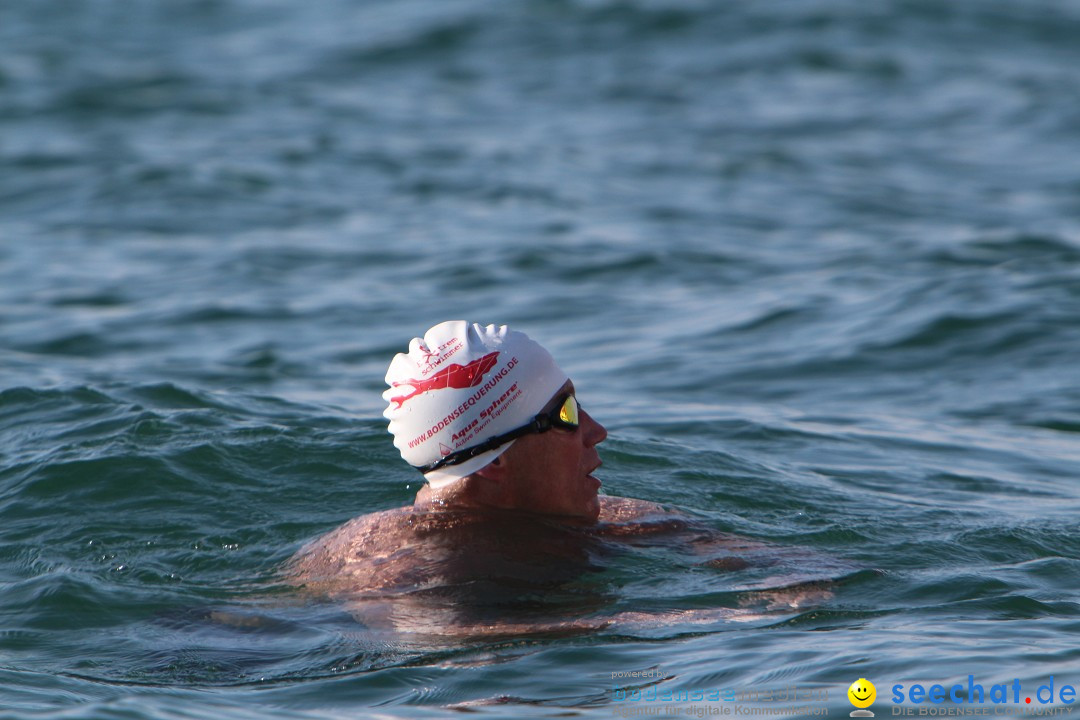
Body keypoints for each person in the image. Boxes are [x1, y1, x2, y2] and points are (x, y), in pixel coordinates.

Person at [287, 321, 836, 636]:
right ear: (495, 459)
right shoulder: (396, 566)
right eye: (568, 414)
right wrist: (680, 622)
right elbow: (434, 644)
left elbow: (807, 576)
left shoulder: (618, 519)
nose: (597, 430)